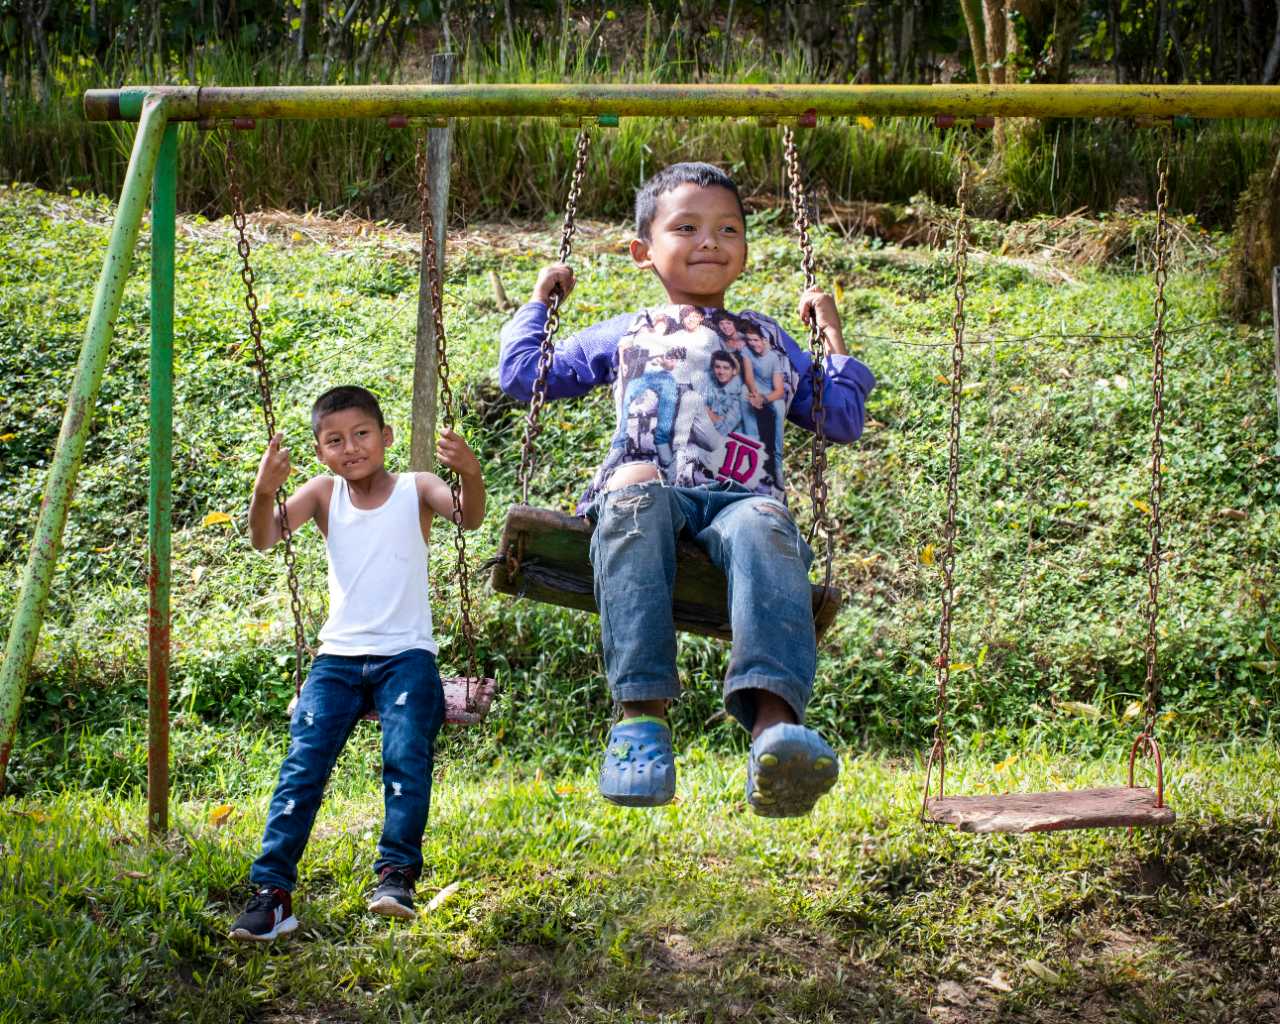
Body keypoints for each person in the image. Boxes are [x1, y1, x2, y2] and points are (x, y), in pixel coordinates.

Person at [499, 162, 875, 818]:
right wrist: (541, 306)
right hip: (647, 495)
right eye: (688, 227)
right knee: (637, 491)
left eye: (728, 228)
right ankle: (642, 723)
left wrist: (831, 336)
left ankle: (775, 733)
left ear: (746, 252)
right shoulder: (628, 331)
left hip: (742, 498)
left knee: (767, 525)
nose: (710, 240)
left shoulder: (770, 339)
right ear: (643, 251)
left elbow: (840, 417)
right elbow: (526, 378)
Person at [228, 385, 486, 942]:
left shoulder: (418, 487)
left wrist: (469, 472)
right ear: (320, 451)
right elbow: (265, 537)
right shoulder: (323, 493)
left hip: (407, 655)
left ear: (386, 437)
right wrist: (263, 489)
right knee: (304, 763)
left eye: (361, 434)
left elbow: (468, 519)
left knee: (405, 757)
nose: (350, 448)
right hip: (337, 658)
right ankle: (272, 894)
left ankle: (395, 877)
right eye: (334, 440)